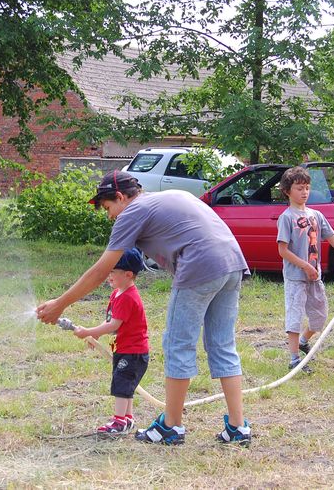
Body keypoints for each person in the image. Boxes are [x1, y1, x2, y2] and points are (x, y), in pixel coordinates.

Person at [36, 170, 252, 445]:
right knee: (222, 344)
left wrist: (59, 304)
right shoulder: (170, 196)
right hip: (232, 262)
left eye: (108, 207)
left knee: (178, 345)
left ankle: (171, 427)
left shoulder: (132, 211)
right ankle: (237, 427)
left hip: (199, 266)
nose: (110, 216)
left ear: (120, 197)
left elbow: (102, 270)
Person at [277, 166, 334, 371]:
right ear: (287, 191)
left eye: (307, 188)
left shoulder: (316, 215)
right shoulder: (287, 217)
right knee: (295, 316)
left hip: (314, 277)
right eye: (299, 188)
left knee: (320, 315)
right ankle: (294, 360)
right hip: (295, 277)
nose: (304, 192)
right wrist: (306, 266)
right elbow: (283, 250)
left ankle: (303, 341)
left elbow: (332, 239)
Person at [71, 248, 149, 437]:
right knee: (126, 384)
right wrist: (96, 334)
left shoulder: (128, 297)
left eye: (112, 271)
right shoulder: (117, 294)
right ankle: (127, 418)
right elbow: (111, 324)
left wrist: (90, 331)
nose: (108, 275)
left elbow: (114, 324)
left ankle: (119, 421)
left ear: (128, 274)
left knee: (122, 384)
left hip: (133, 352)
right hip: (125, 349)